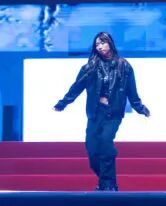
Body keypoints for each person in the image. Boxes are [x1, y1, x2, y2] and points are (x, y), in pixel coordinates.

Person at [53, 32, 150, 191]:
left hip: (113, 113)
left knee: (105, 142)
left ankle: (107, 186)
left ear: (110, 43)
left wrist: (141, 108)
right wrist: (63, 103)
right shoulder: (90, 67)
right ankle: (108, 183)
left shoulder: (124, 66)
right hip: (95, 113)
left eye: (102, 43)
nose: (100, 47)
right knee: (92, 151)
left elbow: (132, 91)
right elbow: (77, 87)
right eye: (97, 44)